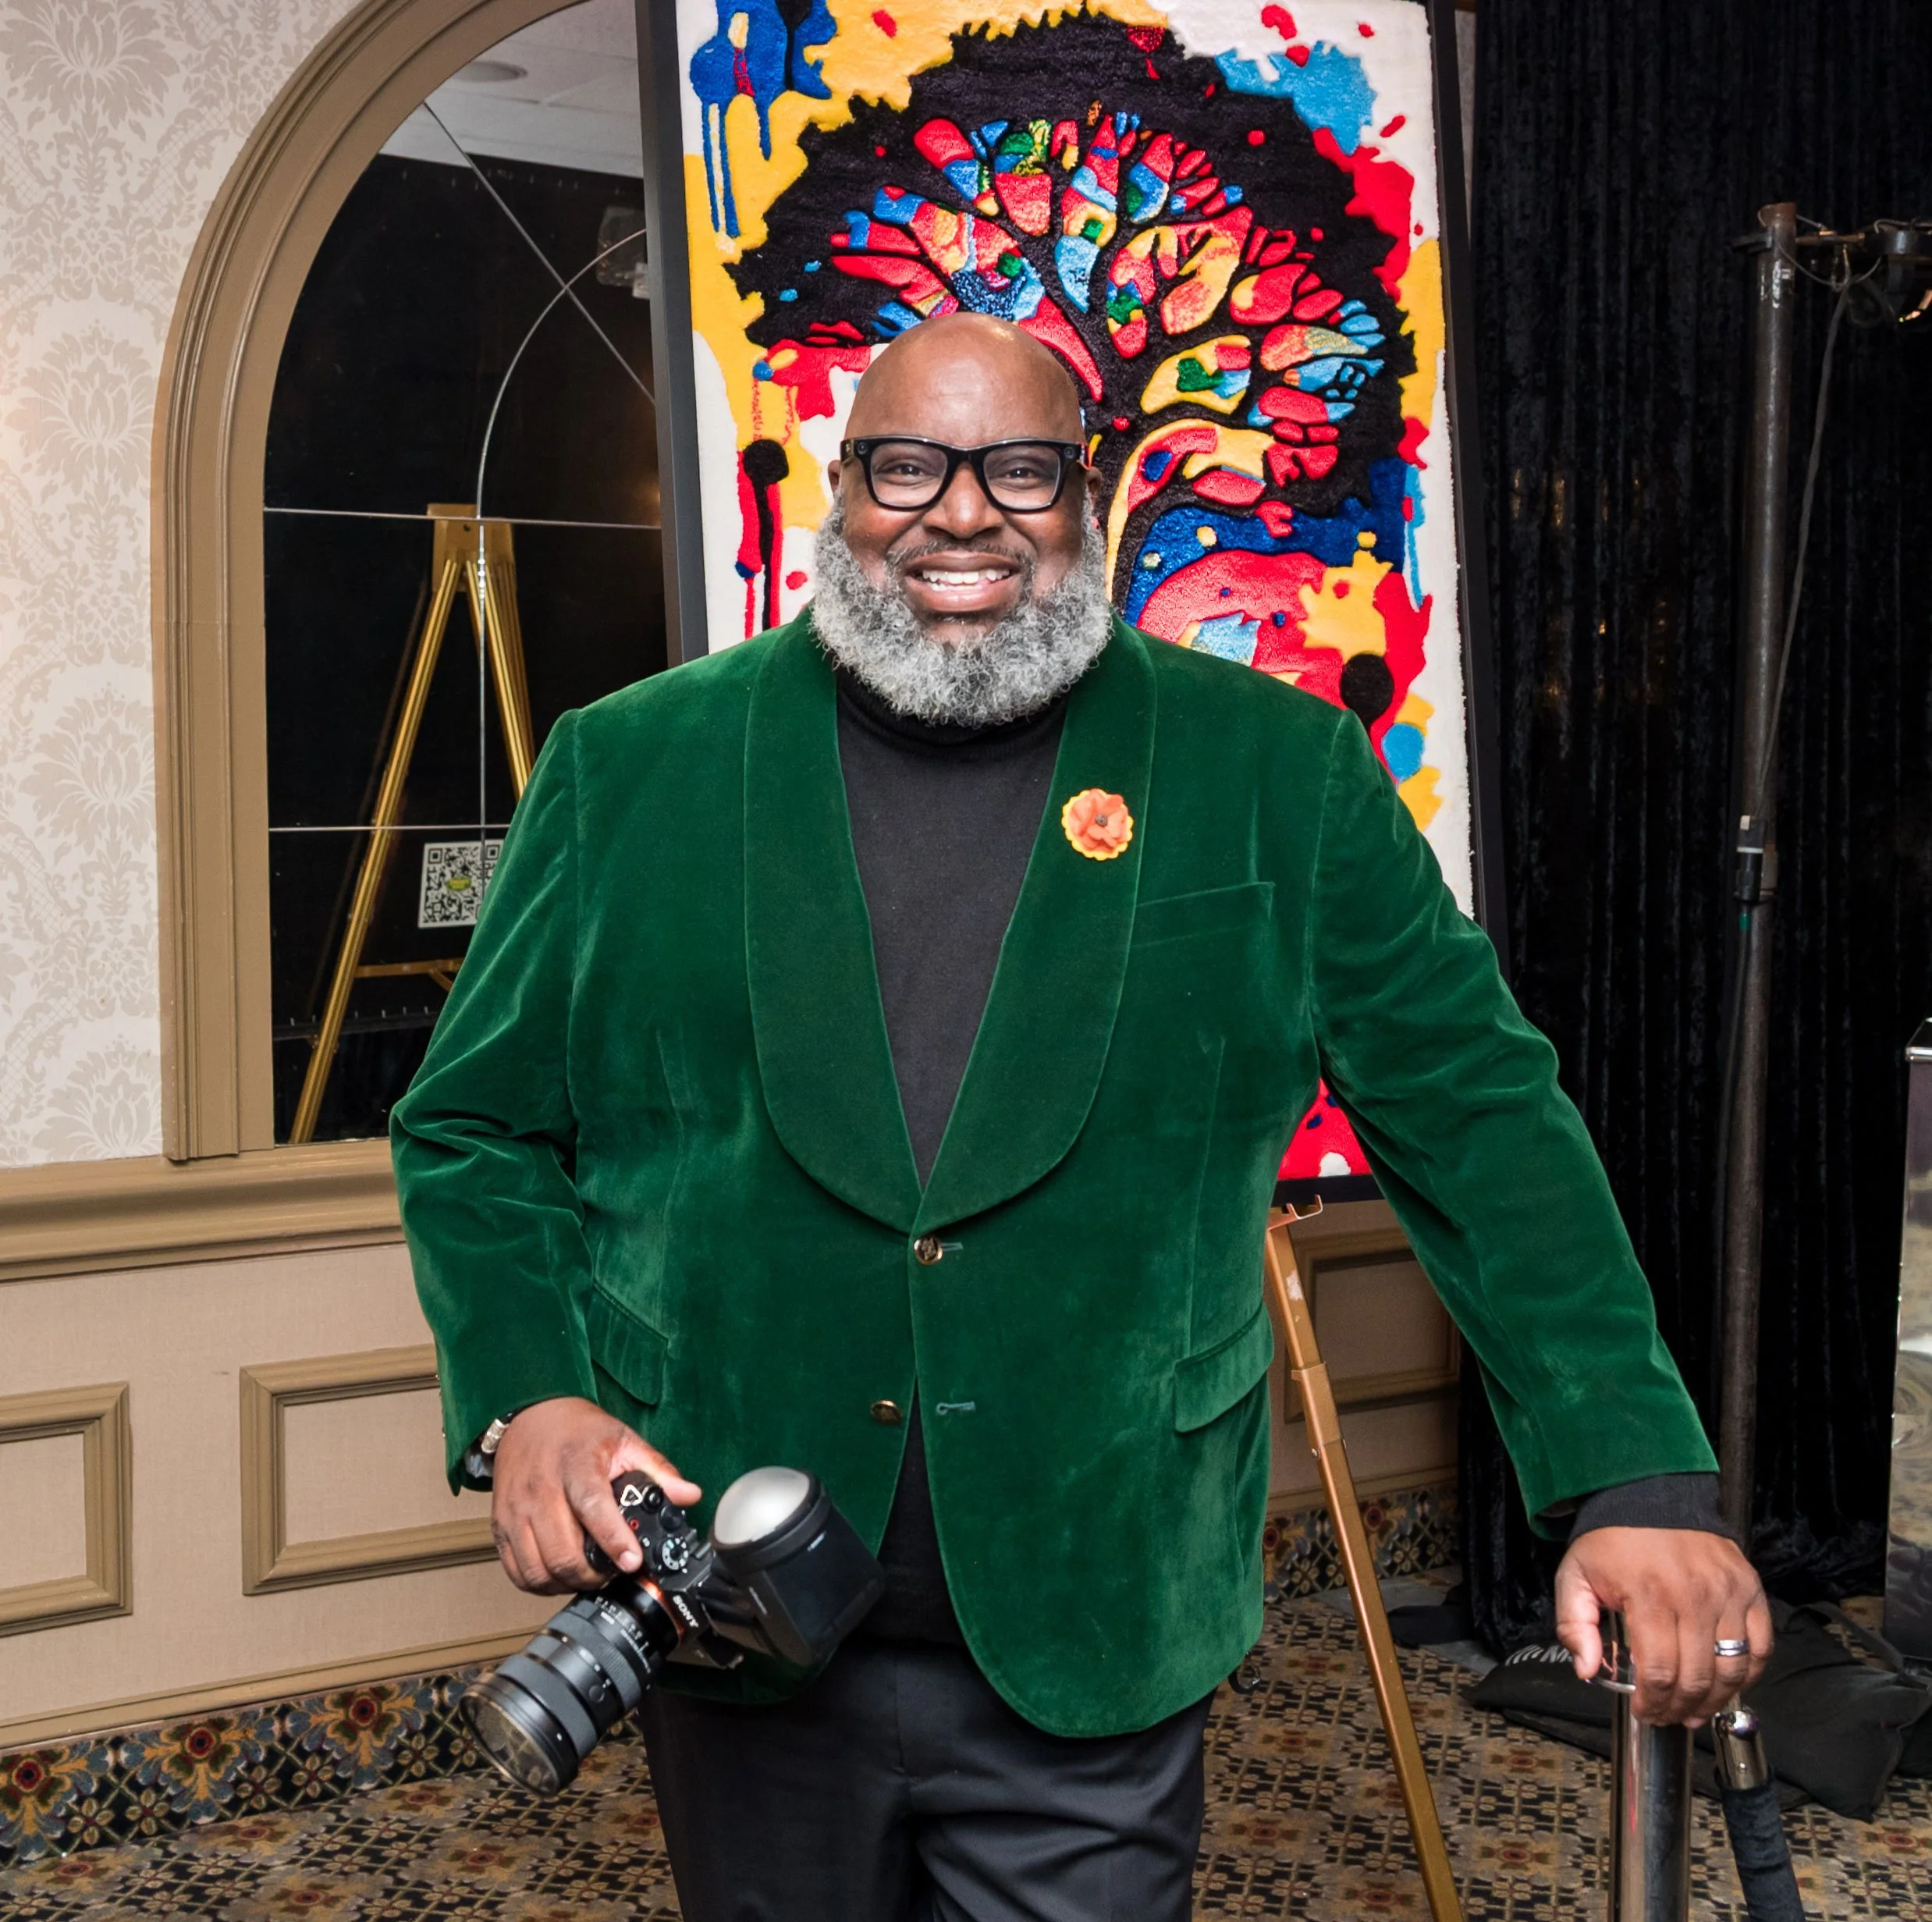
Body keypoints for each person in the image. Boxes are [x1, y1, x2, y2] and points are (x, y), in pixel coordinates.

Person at [392, 312, 1768, 1922]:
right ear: (843, 492)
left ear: (1089, 493)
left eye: (1019, 469)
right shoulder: (628, 768)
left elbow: (1480, 1117)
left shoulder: (1280, 773)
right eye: (904, 465)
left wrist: (1633, 1483)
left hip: (1096, 1603)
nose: (958, 513)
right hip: (730, 1616)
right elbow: (473, 1124)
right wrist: (530, 1399)